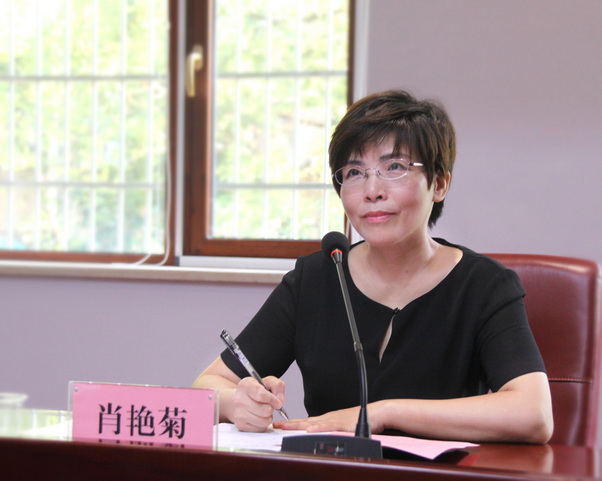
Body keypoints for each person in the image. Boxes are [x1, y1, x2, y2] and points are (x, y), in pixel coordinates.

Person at [192, 90, 553, 444]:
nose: (372, 190)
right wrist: (238, 403)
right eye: (354, 172)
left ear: (439, 184)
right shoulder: (317, 279)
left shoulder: (484, 285)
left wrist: (382, 413)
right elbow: (206, 387)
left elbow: (533, 414)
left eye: (394, 167)